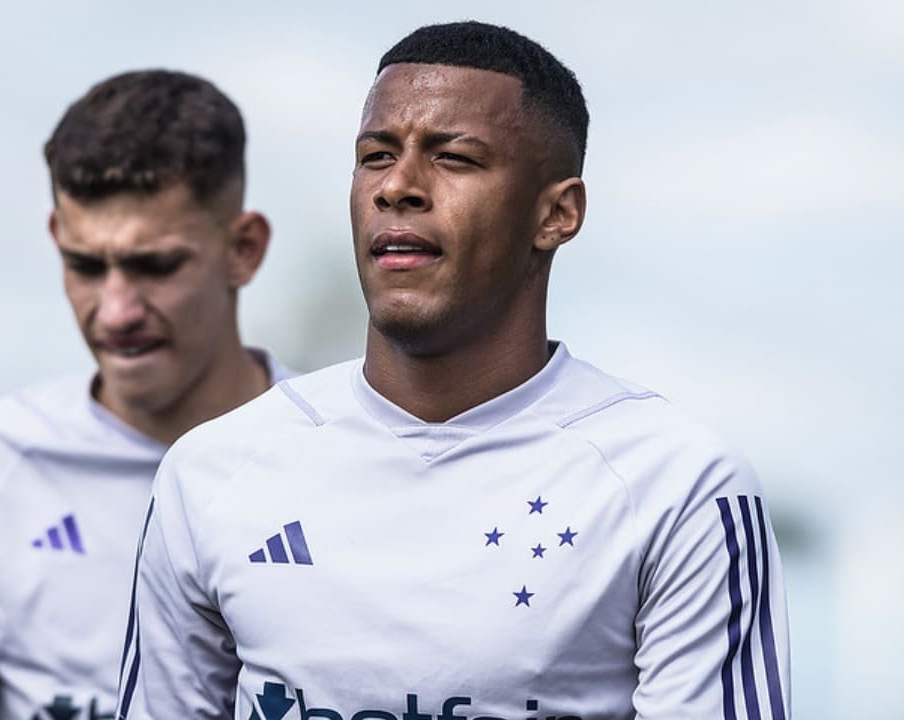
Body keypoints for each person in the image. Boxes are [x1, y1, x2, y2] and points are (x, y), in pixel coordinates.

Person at [117, 21, 790, 720]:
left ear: (557, 213)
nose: (399, 186)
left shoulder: (676, 485)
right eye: (376, 156)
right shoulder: (213, 473)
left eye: (456, 158)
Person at [0, 69, 290, 720]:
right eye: (84, 266)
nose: (115, 311)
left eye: (154, 266)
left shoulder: (341, 457)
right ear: (55, 239)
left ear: (243, 249)